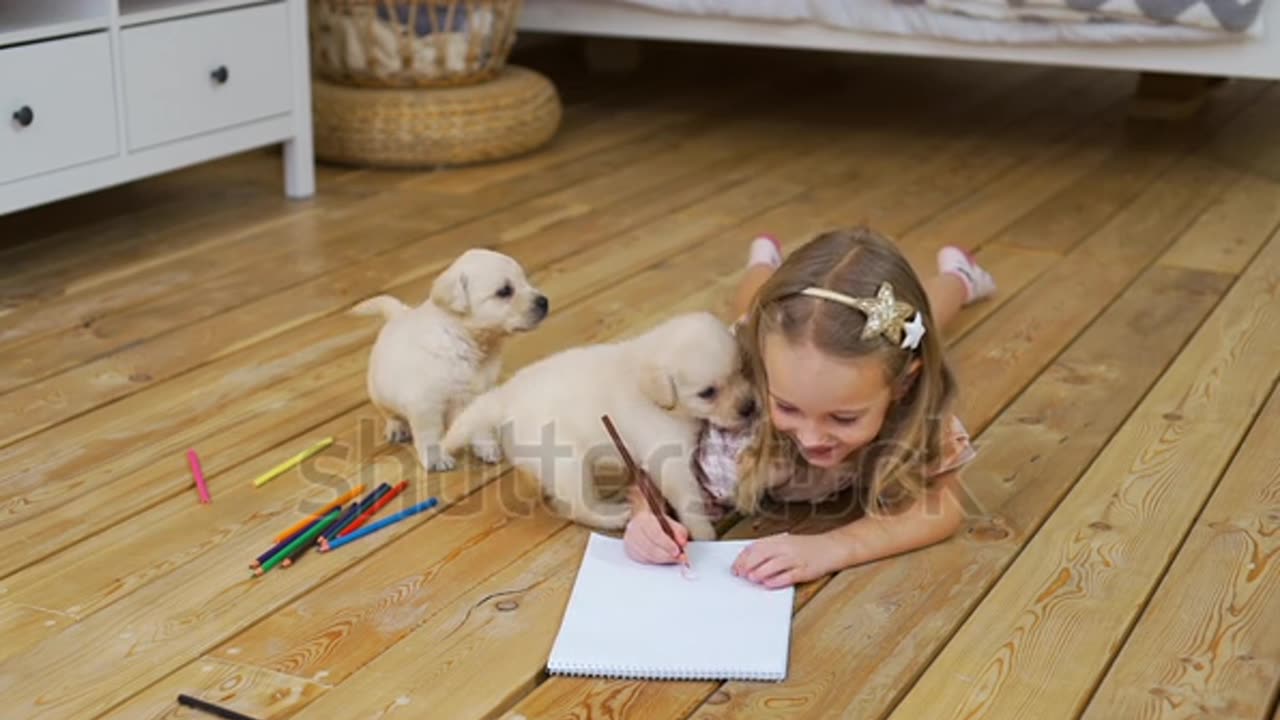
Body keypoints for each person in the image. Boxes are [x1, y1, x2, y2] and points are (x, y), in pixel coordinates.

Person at [623, 226, 997, 588]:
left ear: (903, 385)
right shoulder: (741, 389)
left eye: (844, 417)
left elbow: (941, 507)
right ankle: (763, 263)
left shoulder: (917, 407)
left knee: (924, 318)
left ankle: (959, 276)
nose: (811, 437)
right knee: (752, 307)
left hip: (864, 340)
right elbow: (655, 471)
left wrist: (832, 547)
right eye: (787, 407)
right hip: (766, 331)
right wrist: (645, 517)